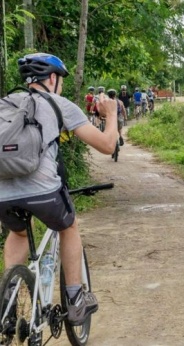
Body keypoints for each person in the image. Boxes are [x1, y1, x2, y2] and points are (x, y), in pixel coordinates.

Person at [0, 53, 118, 326]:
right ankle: (76, 300)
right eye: (60, 80)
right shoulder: (60, 104)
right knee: (69, 226)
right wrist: (111, 115)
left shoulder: (4, 104)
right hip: (43, 192)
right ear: (52, 79)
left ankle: (8, 305)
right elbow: (107, 146)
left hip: (2, 195)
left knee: (17, 232)